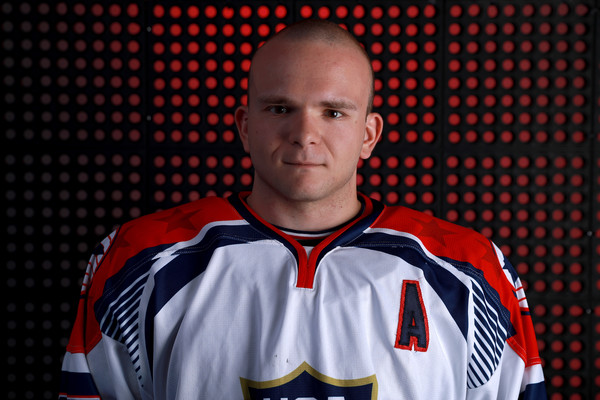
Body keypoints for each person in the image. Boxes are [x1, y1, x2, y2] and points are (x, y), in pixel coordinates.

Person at [60, 19, 546, 399]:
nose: (304, 134)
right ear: (245, 125)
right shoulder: (142, 259)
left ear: (369, 134)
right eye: (279, 109)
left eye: (333, 112)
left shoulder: (468, 269)